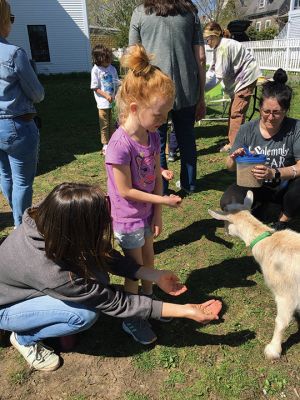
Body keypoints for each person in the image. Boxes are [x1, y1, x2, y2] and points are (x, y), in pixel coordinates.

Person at [0, 182, 222, 371]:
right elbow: (113, 301)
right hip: (7, 305)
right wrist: (185, 310)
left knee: (97, 278)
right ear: (78, 230)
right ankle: (24, 338)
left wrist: (154, 274)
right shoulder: (51, 270)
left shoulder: (52, 216)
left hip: (28, 284)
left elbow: (103, 254)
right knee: (83, 314)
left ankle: (48, 318)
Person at [105, 44, 186, 344]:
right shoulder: (119, 145)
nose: (164, 119)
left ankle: (151, 307)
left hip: (146, 215)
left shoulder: (152, 135)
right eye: (159, 113)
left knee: (150, 263)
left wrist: (158, 209)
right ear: (136, 108)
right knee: (134, 271)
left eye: (167, 113)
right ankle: (132, 318)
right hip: (126, 219)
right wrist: (162, 200)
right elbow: (125, 190)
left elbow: (153, 174)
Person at [129, 0, 206, 195]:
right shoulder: (190, 13)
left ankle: (160, 187)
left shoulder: (140, 12)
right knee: (186, 137)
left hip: (152, 90)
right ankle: (189, 185)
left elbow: (133, 56)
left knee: (155, 140)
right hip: (186, 88)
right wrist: (201, 96)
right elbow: (201, 58)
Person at [220, 69, 300, 231]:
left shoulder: (296, 128)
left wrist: (273, 173)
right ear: (259, 109)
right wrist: (234, 159)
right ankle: (258, 205)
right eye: (266, 112)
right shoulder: (247, 129)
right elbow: (229, 167)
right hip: (254, 184)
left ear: (285, 111)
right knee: (228, 201)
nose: (270, 117)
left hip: (285, 187)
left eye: (276, 113)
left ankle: (282, 220)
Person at [0, 0, 44, 226]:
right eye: (11, 18)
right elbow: (37, 93)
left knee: (5, 176)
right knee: (22, 182)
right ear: (4, 20)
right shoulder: (13, 53)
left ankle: (18, 220)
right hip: (16, 125)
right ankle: (22, 228)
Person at [203, 21, 261, 152]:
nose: (207, 42)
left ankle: (235, 145)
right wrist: (202, 82)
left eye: (207, 39)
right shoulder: (220, 46)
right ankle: (232, 140)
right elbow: (212, 70)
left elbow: (218, 76)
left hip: (246, 79)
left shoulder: (223, 48)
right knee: (233, 111)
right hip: (241, 80)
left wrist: (201, 90)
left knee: (236, 113)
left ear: (214, 36)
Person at [91, 44, 119, 156]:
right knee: (104, 124)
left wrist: (117, 94)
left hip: (113, 102)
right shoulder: (96, 70)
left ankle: (113, 142)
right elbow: (95, 87)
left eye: (109, 59)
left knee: (113, 123)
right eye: (106, 59)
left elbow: (116, 83)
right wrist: (106, 96)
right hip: (103, 103)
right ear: (99, 59)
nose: (109, 61)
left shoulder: (112, 68)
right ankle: (105, 144)